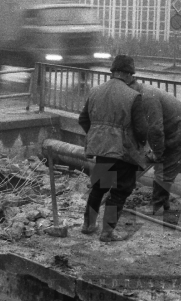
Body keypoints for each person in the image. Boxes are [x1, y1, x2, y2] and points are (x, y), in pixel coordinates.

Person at [78, 54, 148, 242]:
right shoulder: (134, 96)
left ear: (113, 72)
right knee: (119, 191)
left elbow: (83, 119)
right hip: (123, 153)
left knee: (99, 188)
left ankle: (88, 225)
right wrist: (140, 144)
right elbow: (141, 130)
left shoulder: (95, 91)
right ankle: (107, 232)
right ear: (127, 74)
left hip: (102, 150)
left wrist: (97, 134)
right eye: (132, 75)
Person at [130, 81, 181, 214]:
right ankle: (163, 202)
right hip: (171, 128)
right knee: (160, 162)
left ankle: (157, 206)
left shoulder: (147, 97)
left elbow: (155, 128)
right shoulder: (139, 94)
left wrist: (157, 152)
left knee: (165, 165)